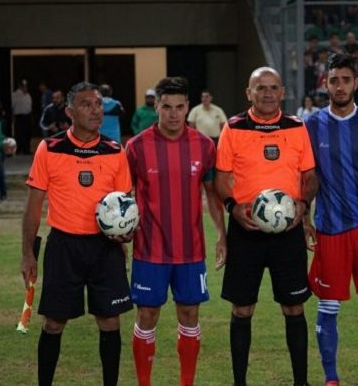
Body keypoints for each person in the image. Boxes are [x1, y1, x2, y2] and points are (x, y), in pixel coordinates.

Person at [20, 82, 133, 386]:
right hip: (64, 245)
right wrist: (28, 252)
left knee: (110, 321)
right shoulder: (50, 148)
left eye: (98, 104)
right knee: (54, 323)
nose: (95, 110)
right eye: (86, 105)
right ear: (69, 112)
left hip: (104, 247)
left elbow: (124, 205)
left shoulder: (114, 151)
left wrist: (125, 233)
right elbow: (33, 206)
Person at [214, 66, 317, 386]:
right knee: (242, 309)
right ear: (249, 93)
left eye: (273, 88)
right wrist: (233, 209)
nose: (268, 93)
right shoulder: (233, 128)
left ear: (283, 92)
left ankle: (301, 382)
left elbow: (309, 177)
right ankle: (240, 382)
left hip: (288, 234)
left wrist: (303, 206)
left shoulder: (297, 127)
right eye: (261, 88)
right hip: (246, 232)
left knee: (294, 308)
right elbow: (220, 179)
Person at [126, 77, 227, 386]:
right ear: (156, 106)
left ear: (188, 108)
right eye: (166, 107)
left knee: (189, 315)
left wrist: (222, 235)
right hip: (149, 249)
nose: (173, 113)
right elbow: (123, 197)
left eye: (179, 107)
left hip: (190, 250)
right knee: (147, 316)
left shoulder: (204, 145)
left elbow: (212, 194)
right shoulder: (136, 147)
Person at [303, 53, 358, 386]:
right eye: (333, 80)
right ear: (325, 83)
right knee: (328, 306)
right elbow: (307, 177)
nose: (339, 86)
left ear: (356, 82)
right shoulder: (310, 126)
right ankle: (331, 377)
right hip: (330, 228)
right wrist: (305, 219)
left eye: (345, 80)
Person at [11, 79, 33, 154]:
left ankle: (26, 149)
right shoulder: (15, 95)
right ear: (20, 86)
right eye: (23, 86)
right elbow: (12, 106)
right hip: (19, 116)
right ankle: (19, 149)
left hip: (27, 116)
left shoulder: (28, 95)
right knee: (19, 134)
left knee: (27, 133)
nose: (25, 88)